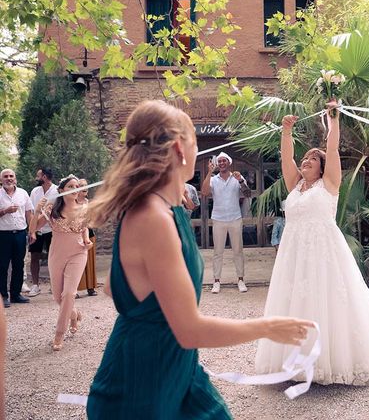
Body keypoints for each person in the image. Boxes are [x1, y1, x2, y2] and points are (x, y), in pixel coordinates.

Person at [85, 100, 312, 419]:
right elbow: (189, 330)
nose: (198, 152)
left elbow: (114, 286)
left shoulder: (167, 208)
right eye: (194, 141)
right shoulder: (154, 217)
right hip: (140, 386)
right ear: (180, 148)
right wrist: (267, 326)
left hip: (179, 372)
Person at [255, 101, 369, 386]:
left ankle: (330, 360)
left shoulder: (329, 184)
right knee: (296, 301)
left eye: (312, 160)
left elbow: (332, 149)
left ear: (322, 167)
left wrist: (334, 121)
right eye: (304, 159)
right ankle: (295, 361)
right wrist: (286, 131)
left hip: (324, 254)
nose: (306, 161)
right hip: (294, 255)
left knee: (327, 303)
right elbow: (285, 159)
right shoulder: (296, 186)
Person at [30, 175, 91, 350]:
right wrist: (36, 211)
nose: (75, 188)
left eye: (77, 186)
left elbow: (85, 228)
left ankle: (59, 335)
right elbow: (34, 228)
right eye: (71, 186)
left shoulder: (84, 207)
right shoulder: (51, 208)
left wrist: (87, 240)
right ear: (62, 190)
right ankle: (74, 314)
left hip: (78, 253)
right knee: (58, 296)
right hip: (57, 253)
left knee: (69, 294)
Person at [201, 151, 251, 294]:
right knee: (218, 252)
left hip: (235, 218)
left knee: (238, 251)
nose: (222, 163)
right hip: (218, 219)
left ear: (229, 163)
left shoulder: (236, 178)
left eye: (224, 161)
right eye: (220, 161)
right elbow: (204, 192)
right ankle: (216, 282)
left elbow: (247, 194)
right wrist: (209, 173)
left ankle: (241, 280)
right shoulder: (213, 179)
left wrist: (241, 180)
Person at [0, 169, 33, 308]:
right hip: (3, 235)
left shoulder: (23, 193)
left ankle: (16, 294)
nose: (9, 178)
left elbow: (29, 213)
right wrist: (5, 211)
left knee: (19, 264)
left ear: (15, 178)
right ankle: (3, 296)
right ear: (1, 180)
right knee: (2, 266)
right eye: (6, 176)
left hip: (20, 233)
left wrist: (32, 232)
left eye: (11, 176)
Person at [27, 167, 58, 297]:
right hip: (37, 229)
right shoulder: (35, 191)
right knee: (34, 256)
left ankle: (54, 285)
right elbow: (31, 211)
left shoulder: (57, 190)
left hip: (52, 229)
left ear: (44, 177)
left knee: (54, 258)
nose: (36, 178)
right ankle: (35, 285)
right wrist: (32, 230)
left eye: (38, 176)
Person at [77, 178, 97, 297]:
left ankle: (91, 287)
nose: (85, 188)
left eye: (86, 186)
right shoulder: (72, 202)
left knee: (90, 261)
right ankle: (76, 288)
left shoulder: (87, 202)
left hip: (89, 232)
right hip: (76, 234)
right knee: (77, 261)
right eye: (81, 186)